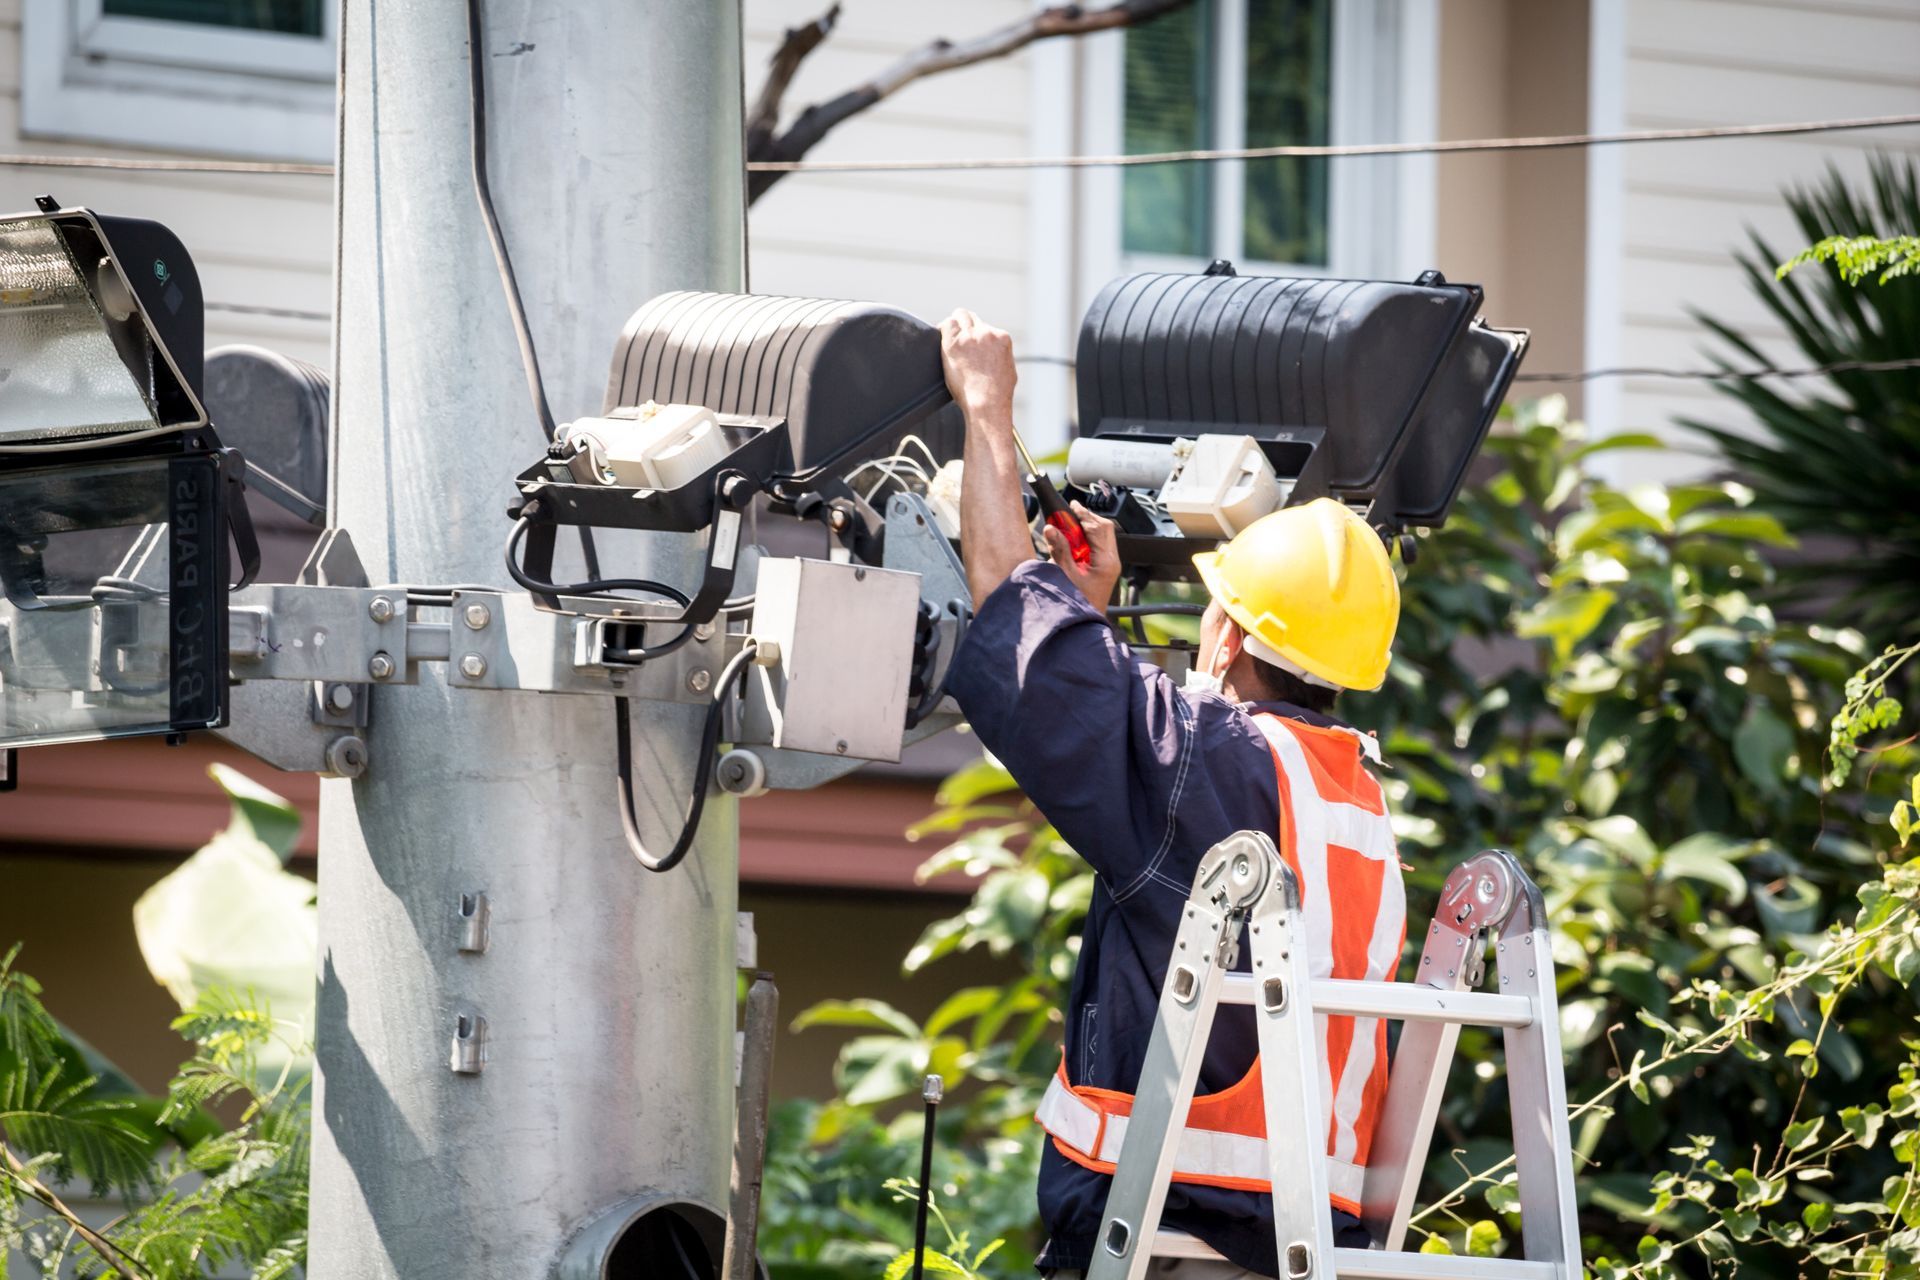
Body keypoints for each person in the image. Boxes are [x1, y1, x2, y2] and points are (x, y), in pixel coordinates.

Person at [936, 309, 1407, 1280]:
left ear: (1228, 637)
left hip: (1166, 1237)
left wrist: (987, 406)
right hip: (1300, 1243)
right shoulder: (1351, 800)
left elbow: (1000, 588)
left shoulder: (1215, 764)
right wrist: (1091, 614)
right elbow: (1152, 766)